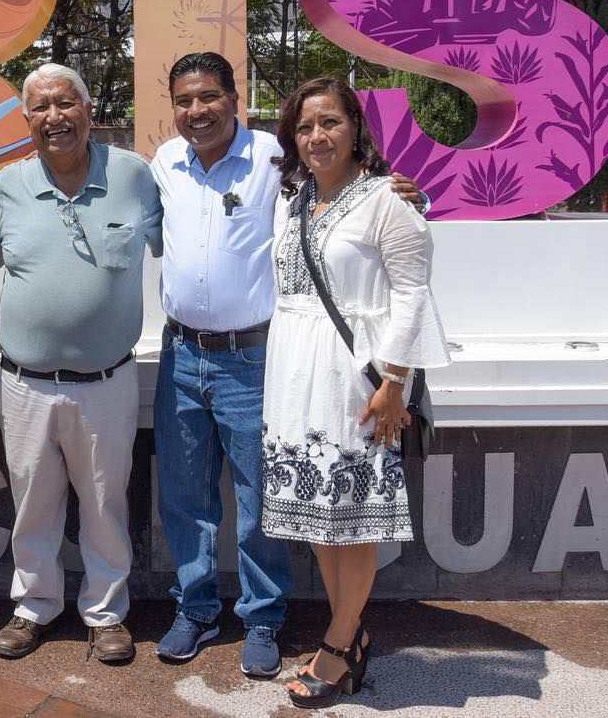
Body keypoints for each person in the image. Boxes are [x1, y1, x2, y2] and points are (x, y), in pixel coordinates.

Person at [149, 53, 426, 676]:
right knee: (185, 495)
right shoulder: (164, 163)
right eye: (184, 100)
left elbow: (363, 199)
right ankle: (194, 608)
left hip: (253, 358)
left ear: (234, 99)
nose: (197, 111)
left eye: (209, 97)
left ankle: (264, 615)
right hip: (181, 354)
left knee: (259, 498)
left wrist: (410, 189)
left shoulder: (277, 166)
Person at [262, 76, 449, 709]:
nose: (317, 136)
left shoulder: (384, 202)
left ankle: (339, 646)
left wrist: (395, 381)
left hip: (357, 377)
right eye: (305, 126)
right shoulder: (291, 199)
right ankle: (350, 634)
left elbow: (412, 292)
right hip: (293, 371)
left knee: (354, 515)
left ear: (355, 129)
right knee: (324, 516)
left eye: (330, 122)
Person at [0, 64, 162, 663]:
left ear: (88, 111)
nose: (54, 117)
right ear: (27, 121)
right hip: (26, 383)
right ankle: (34, 607)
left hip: (107, 380)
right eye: (41, 108)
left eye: (66, 104)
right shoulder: (7, 188)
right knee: (33, 503)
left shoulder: (134, 176)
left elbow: (200, 228)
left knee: (106, 502)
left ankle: (106, 613)